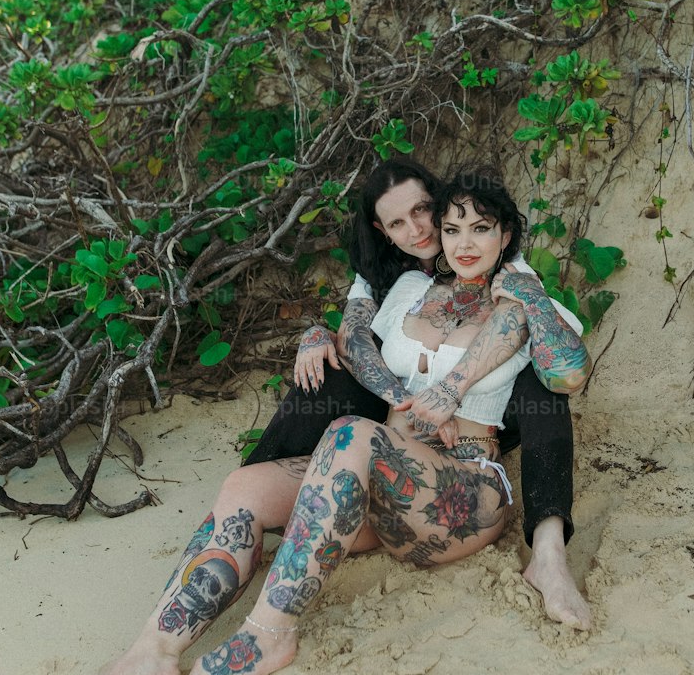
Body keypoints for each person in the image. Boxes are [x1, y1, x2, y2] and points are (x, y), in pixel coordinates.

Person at [66, 172, 590, 675]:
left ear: (506, 235)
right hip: (375, 488)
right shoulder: (411, 292)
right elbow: (355, 345)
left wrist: (526, 299)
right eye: (453, 227)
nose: (463, 243)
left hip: (462, 490)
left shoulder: (526, 303)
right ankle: (153, 652)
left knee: (349, 435)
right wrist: (318, 332)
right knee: (246, 488)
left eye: (481, 229)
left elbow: (567, 376)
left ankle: (269, 633)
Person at [247, 157, 591, 627]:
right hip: (403, 404)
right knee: (327, 372)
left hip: (489, 412)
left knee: (541, 383)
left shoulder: (496, 258)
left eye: (423, 211)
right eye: (397, 223)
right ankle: (261, 489)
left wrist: (452, 391)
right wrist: (325, 341)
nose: (418, 230)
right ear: (382, 230)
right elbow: (353, 336)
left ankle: (548, 551)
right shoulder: (389, 273)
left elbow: (561, 364)